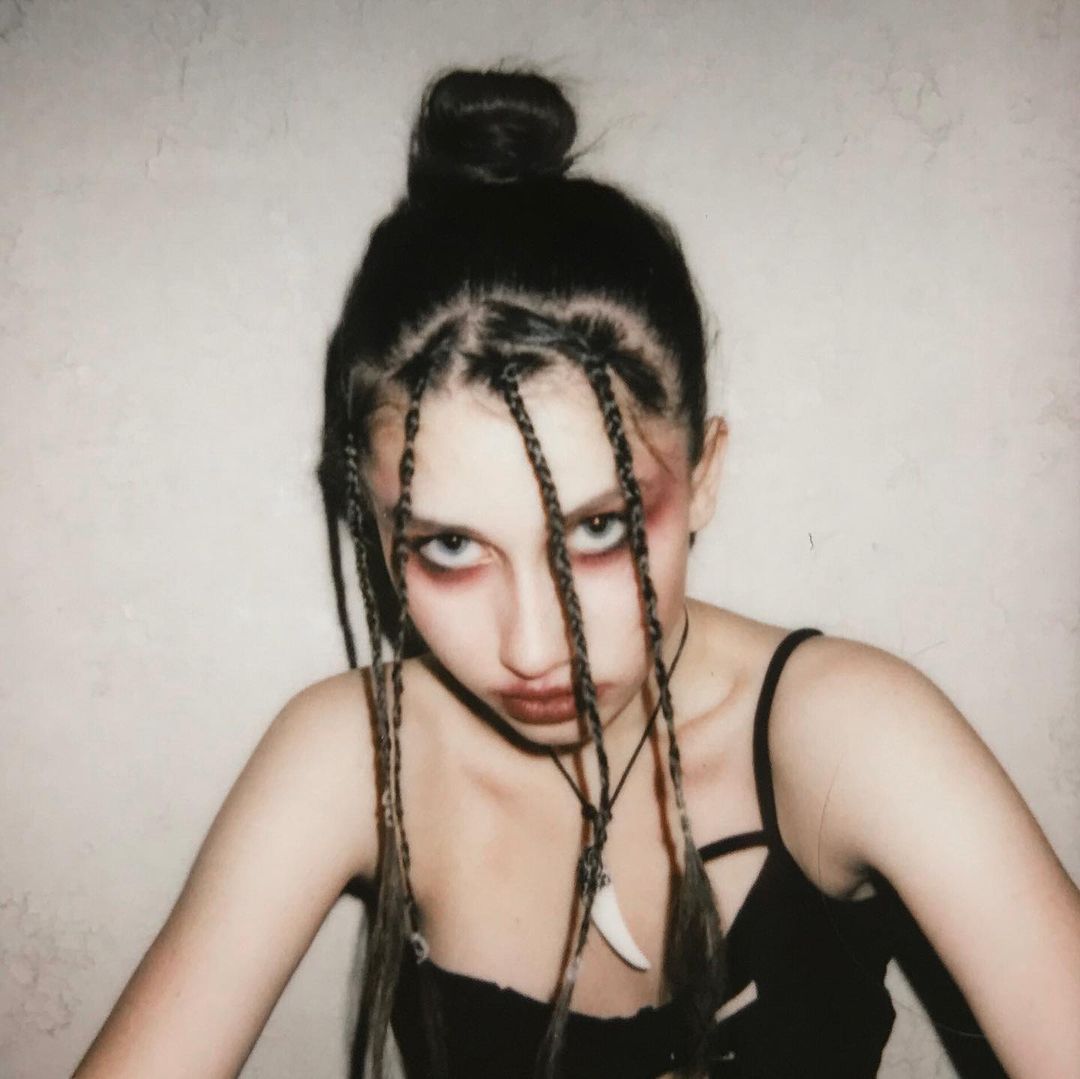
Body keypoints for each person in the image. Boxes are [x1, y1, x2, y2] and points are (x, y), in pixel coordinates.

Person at [74, 69, 1080, 1079]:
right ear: (373, 527)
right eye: (449, 546)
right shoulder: (351, 756)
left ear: (707, 474)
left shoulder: (856, 733)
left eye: (599, 530)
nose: (534, 644)